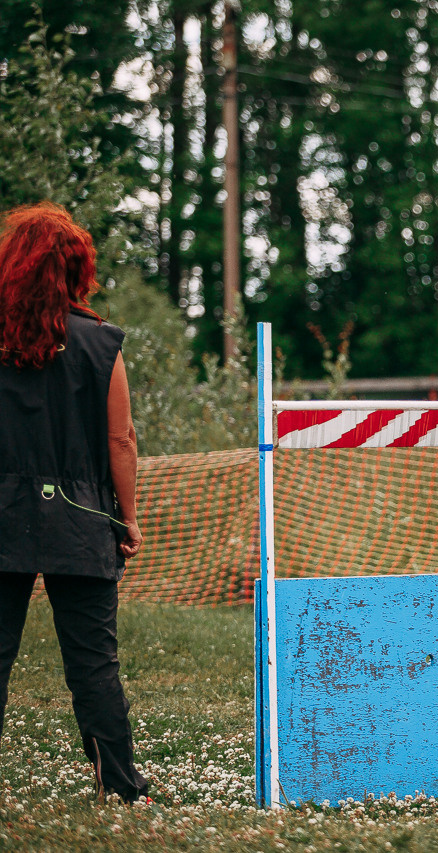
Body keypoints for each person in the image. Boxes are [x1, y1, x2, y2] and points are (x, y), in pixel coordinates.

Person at [0, 202, 149, 803]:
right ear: (76, 269)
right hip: (83, 516)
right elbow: (121, 438)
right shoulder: (99, 343)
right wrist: (127, 517)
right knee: (94, 662)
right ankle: (120, 784)